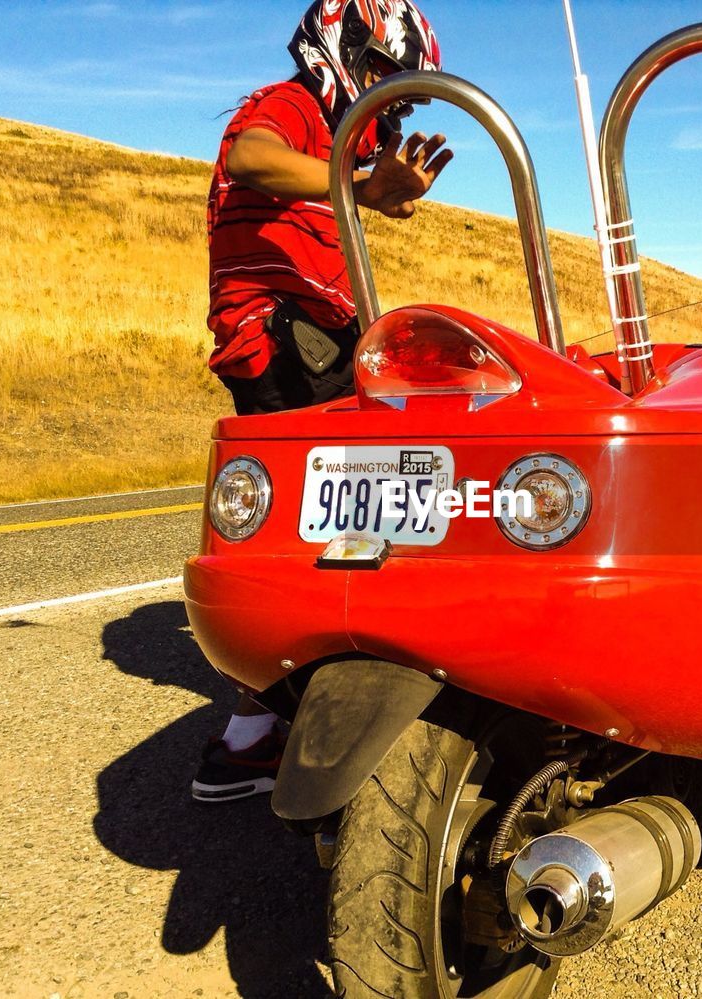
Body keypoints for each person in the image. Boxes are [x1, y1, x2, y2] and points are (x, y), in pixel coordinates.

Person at [191, 0, 452, 803]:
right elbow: (252, 160)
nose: (395, 101)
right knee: (354, 523)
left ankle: (252, 731)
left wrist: (378, 190)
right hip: (286, 334)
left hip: (304, 332)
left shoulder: (336, 132)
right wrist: (361, 182)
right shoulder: (292, 105)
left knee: (318, 525)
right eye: (387, 77)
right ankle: (316, 719)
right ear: (343, 47)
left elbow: (343, 190)